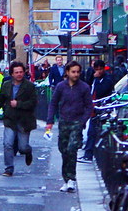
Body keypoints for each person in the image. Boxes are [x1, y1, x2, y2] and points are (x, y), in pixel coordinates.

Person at [46, 60, 92, 192]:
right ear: (67, 72)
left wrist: (83, 121)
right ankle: (66, 179)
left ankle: (71, 178)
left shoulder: (84, 87)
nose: (76, 74)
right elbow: (53, 103)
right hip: (64, 121)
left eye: (78, 72)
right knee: (64, 150)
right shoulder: (61, 87)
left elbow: (89, 106)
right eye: (73, 72)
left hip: (77, 122)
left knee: (72, 149)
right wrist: (50, 120)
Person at [0, 60, 37, 177]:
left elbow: (33, 103)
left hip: (24, 121)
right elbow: (0, 99)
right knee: (8, 144)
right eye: (16, 72)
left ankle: (28, 151)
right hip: (10, 119)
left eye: (21, 72)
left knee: (22, 147)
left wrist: (19, 104)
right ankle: (8, 168)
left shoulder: (29, 86)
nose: (19, 74)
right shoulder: (6, 85)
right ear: (12, 74)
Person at [80, 59, 115, 162]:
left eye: (100, 69)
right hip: (95, 107)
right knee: (92, 131)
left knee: (94, 131)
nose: (98, 71)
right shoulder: (95, 78)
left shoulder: (107, 79)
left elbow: (101, 91)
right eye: (96, 69)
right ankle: (88, 153)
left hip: (102, 108)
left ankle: (89, 154)